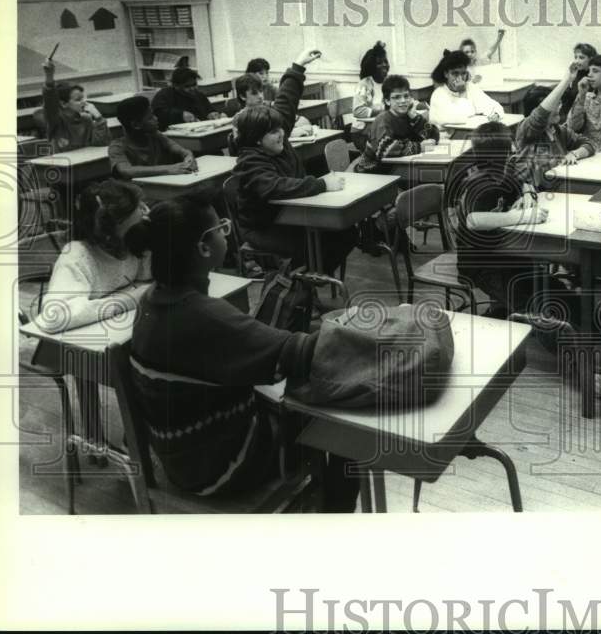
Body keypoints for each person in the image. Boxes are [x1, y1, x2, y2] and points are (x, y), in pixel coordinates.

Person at [125, 193, 359, 509]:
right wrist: (352, 330)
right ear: (204, 247)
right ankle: (335, 518)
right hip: (225, 466)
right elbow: (301, 353)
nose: (227, 234)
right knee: (346, 427)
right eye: (221, 228)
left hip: (182, 460)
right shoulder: (203, 315)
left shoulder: (151, 300)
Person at [36, 180, 152, 457]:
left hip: (113, 333)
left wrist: (151, 243)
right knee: (138, 372)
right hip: (70, 344)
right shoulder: (78, 255)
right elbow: (56, 316)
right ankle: (110, 440)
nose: (146, 212)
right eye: (138, 211)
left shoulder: (132, 240)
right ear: (112, 229)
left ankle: (136, 437)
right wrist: (131, 299)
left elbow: (146, 278)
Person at [231, 48, 356, 274]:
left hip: (291, 214)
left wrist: (298, 66)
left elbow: (286, 101)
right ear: (257, 139)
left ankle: (308, 279)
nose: (282, 134)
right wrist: (322, 184)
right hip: (264, 227)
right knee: (314, 243)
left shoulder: (275, 136)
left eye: (281, 128)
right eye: (274, 132)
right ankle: (299, 284)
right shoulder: (250, 161)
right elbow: (276, 187)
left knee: (347, 232)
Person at [453, 122, 548, 318]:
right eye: (510, 148)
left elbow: (524, 182)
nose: (514, 150)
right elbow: (473, 220)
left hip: (508, 253)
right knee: (530, 305)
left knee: (550, 288)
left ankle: (502, 311)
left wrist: (527, 193)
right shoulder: (479, 182)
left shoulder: (504, 171)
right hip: (481, 265)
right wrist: (523, 216)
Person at [510, 68, 596, 197]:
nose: (559, 108)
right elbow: (540, 114)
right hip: (532, 194)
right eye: (554, 106)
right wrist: (567, 80)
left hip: (555, 190)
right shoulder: (527, 128)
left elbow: (588, 144)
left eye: (559, 104)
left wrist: (575, 153)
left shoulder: (558, 130)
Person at [356, 75, 440, 174]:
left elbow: (434, 134)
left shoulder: (408, 116)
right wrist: (420, 147)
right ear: (387, 101)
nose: (403, 101)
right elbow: (387, 149)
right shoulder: (382, 120)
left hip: (397, 168)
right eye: (397, 97)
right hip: (372, 171)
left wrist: (416, 118)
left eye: (406, 96)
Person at [109, 95, 197, 180]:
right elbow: (126, 170)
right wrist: (169, 168)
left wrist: (188, 157)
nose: (156, 118)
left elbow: (181, 151)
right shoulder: (117, 147)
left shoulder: (156, 135)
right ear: (136, 125)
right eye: (150, 117)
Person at [40, 58, 109, 152]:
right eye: (78, 100)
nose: (84, 102)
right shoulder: (56, 121)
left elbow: (101, 143)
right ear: (63, 104)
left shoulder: (86, 119)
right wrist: (49, 76)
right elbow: (50, 102)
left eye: (83, 98)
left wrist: (99, 118)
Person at [428, 50, 505, 126]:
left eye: (463, 73)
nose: (460, 78)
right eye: (455, 74)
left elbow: (495, 106)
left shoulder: (470, 87)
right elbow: (459, 116)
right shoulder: (439, 94)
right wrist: (462, 92)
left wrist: (495, 115)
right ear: (446, 74)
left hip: (469, 131)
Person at [521, 43, 597, 119]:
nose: (576, 61)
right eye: (575, 57)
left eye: (581, 58)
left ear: (591, 59)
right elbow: (571, 91)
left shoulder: (593, 77)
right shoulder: (577, 72)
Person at [151, 67, 226, 130]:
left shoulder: (198, 94)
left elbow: (209, 109)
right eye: (187, 86)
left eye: (194, 84)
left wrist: (212, 113)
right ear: (176, 86)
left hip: (201, 130)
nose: (192, 88)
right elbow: (159, 114)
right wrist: (180, 115)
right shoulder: (164, 95)